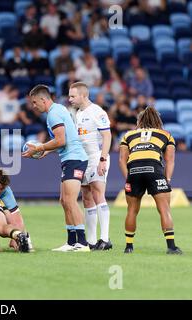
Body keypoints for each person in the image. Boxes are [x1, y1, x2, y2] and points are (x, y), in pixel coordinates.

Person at [23, 84, 89, 252]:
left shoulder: (53, 114)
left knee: (70, 201)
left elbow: (61, 140)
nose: (33, 106)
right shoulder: (57, 110)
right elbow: (63, 140)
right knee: (64, 201)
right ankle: (71, 241)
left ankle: (82, 242)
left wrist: (39, 148)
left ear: (43, 99)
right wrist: (46, 151)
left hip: (75, 159)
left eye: (34, 102)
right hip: (69, 158)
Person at [119, 106, 182, 254]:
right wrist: (167, 179)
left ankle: (129, 247)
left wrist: (128, 178)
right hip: (154, 169)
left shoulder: (128, 135)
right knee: (164, 209)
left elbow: (122, 160)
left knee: (132, 210)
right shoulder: (165, 134)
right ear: (157, 120)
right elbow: (170, 161)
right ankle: (171, 247)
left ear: (139, 121)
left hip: (133, 171)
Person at [69, 82, 112, 250]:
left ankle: (105, 238)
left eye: (73, 96)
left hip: (96, 157)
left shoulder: (97, 112)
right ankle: (93, 241)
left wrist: (102, 160)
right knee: (86, 196)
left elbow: (107, 136)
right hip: (82, 160)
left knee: (98, 193)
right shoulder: (77, 114)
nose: (70, 99)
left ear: (83, 95)